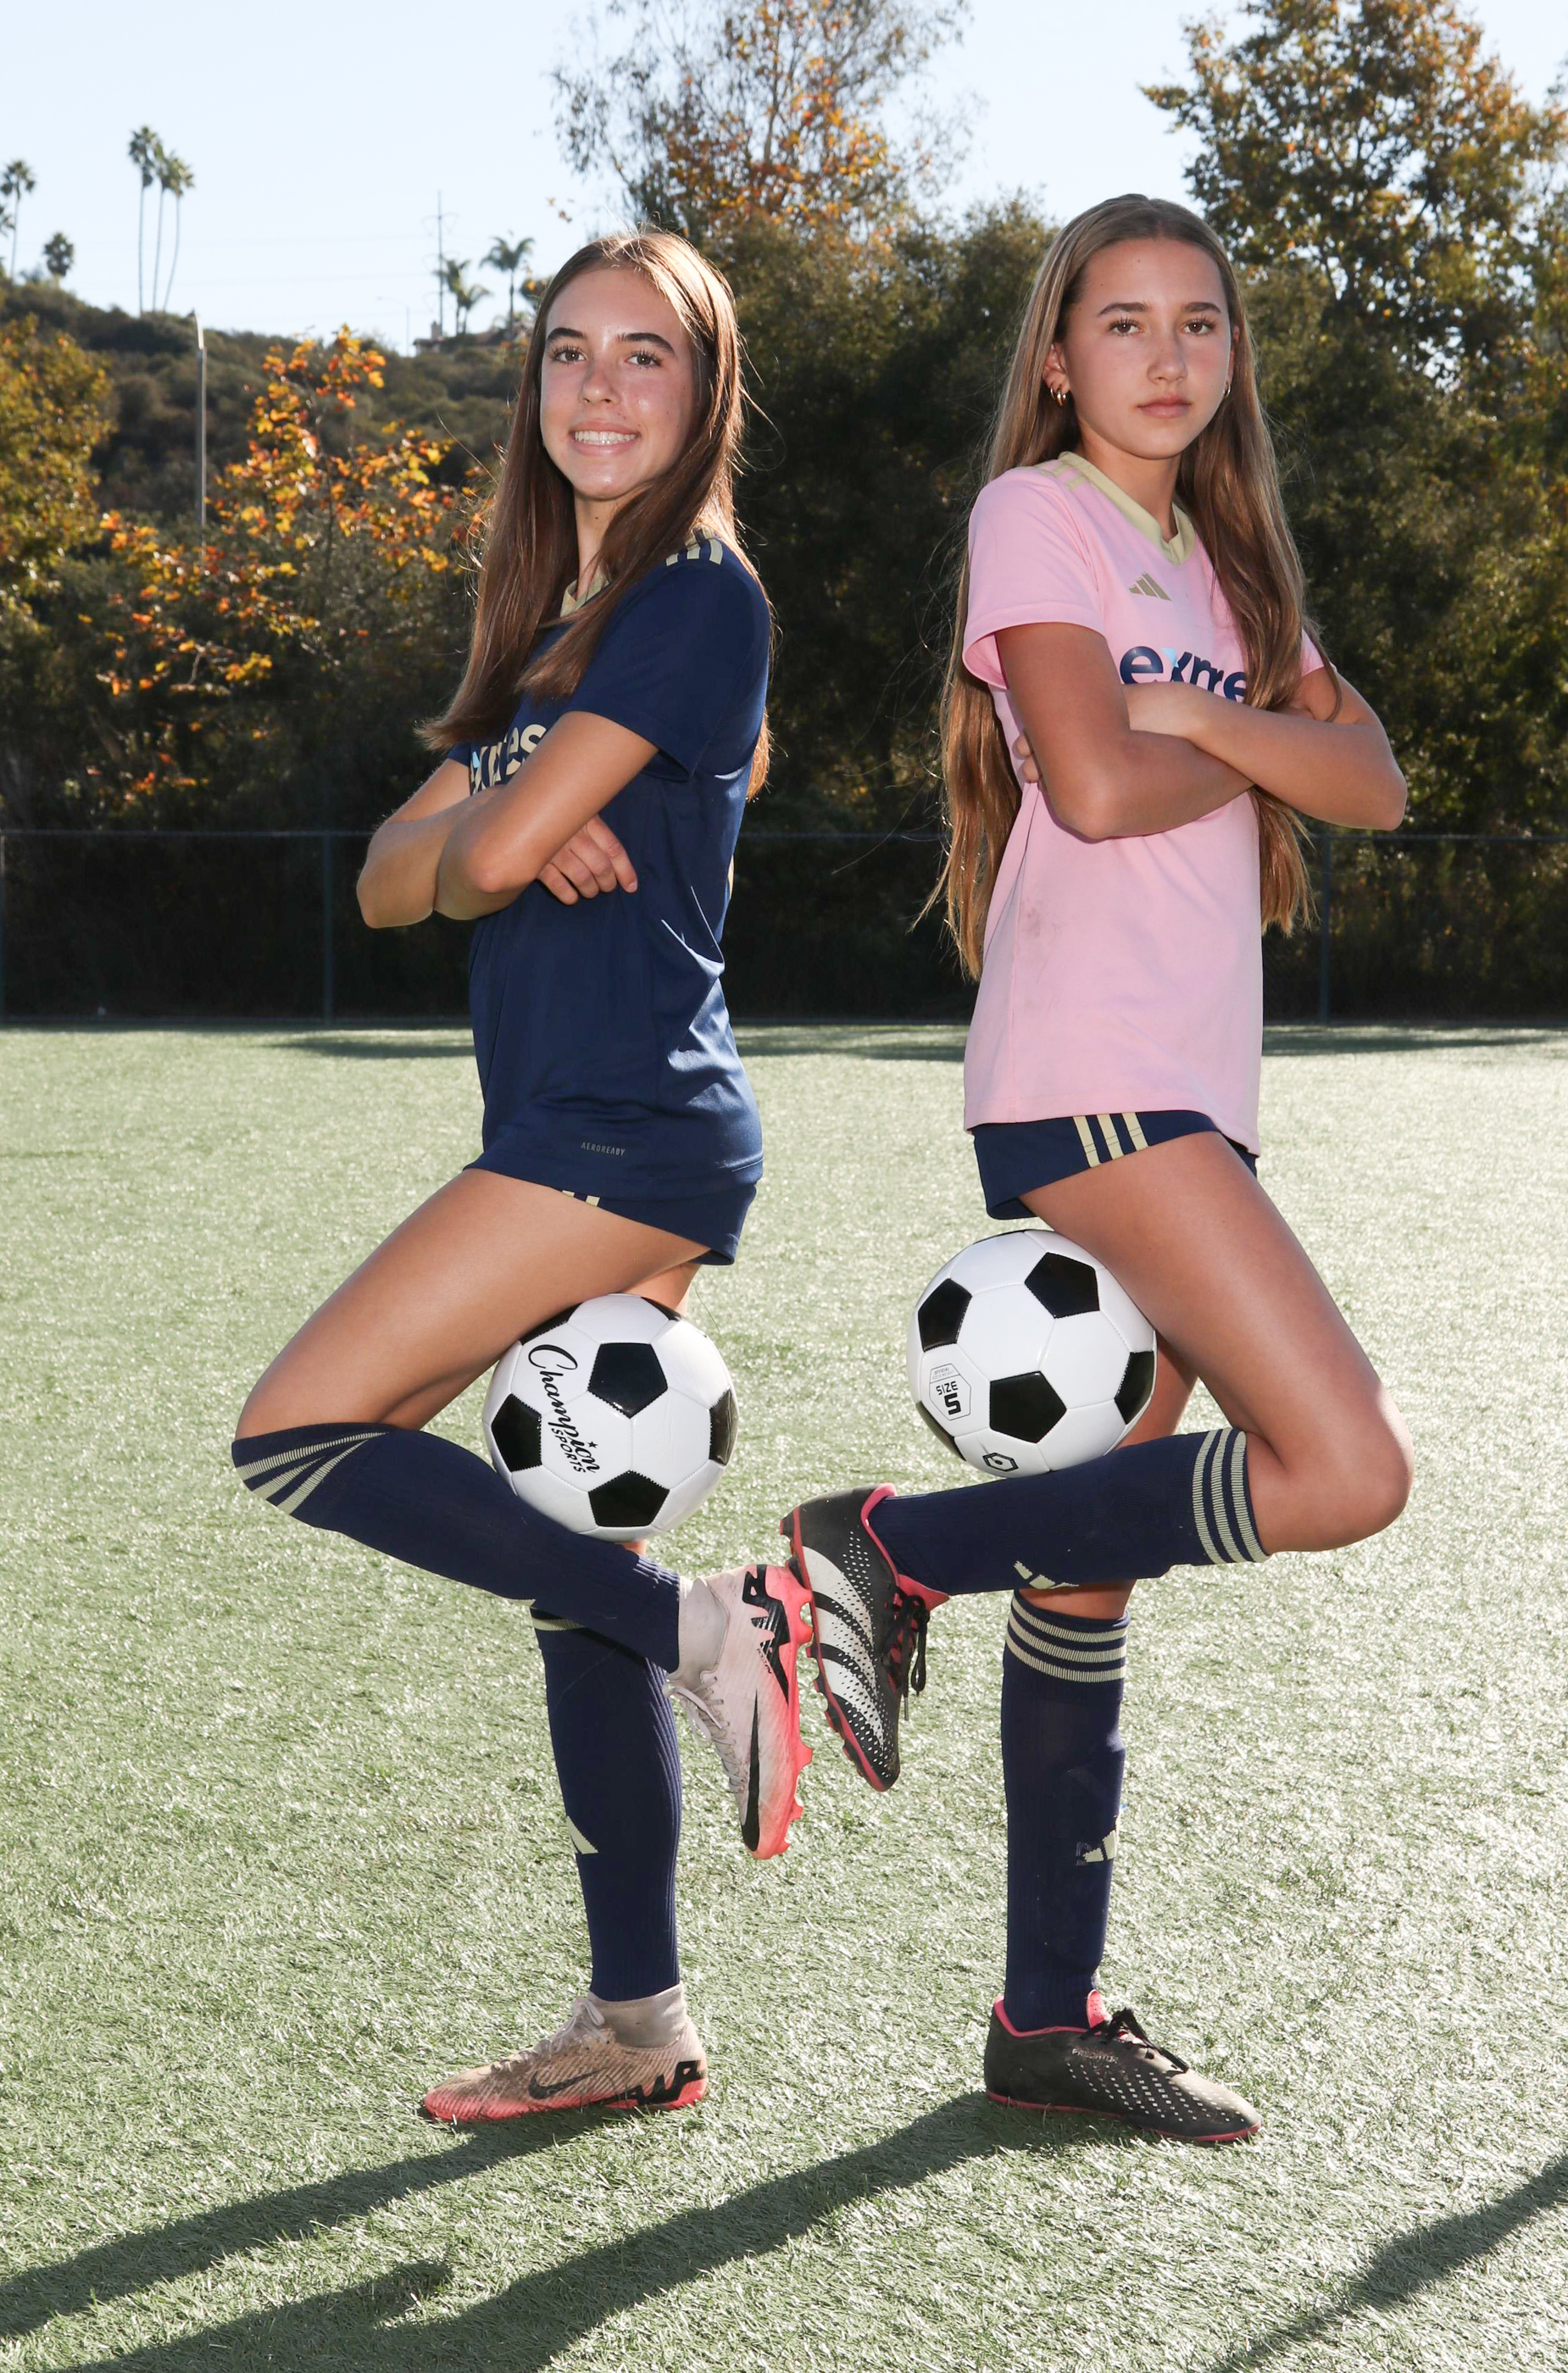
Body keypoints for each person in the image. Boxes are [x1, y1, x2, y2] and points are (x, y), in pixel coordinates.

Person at [781, 195, 1413, 2142]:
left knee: (1091, 1562)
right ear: (1057, 357)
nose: (1165, 354)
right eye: (1123, 321)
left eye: (1198, 321)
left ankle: (1044, 2017)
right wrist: (1248, 734)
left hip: (1191, 1093)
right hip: (1092, 1076)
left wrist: (1207, 705)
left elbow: (1376, 782)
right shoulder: (1032, 515)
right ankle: (884, 1544)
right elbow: (1098, 780)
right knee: (1345, 1467)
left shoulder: (1228, 567)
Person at [231, 231, 811, 2126]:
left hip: (621, 1130)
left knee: (298, 1430)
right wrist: (502, 810)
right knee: (578, 1562)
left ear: (705, 391)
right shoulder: (558, 621)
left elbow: (471, 863)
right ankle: (638, 2020)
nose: (599, 389)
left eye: (646, 356)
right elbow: (389, 881)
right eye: (569, 352)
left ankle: (720, 1632)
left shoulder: (696, 602)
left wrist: (492, 828)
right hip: (578, 1121)